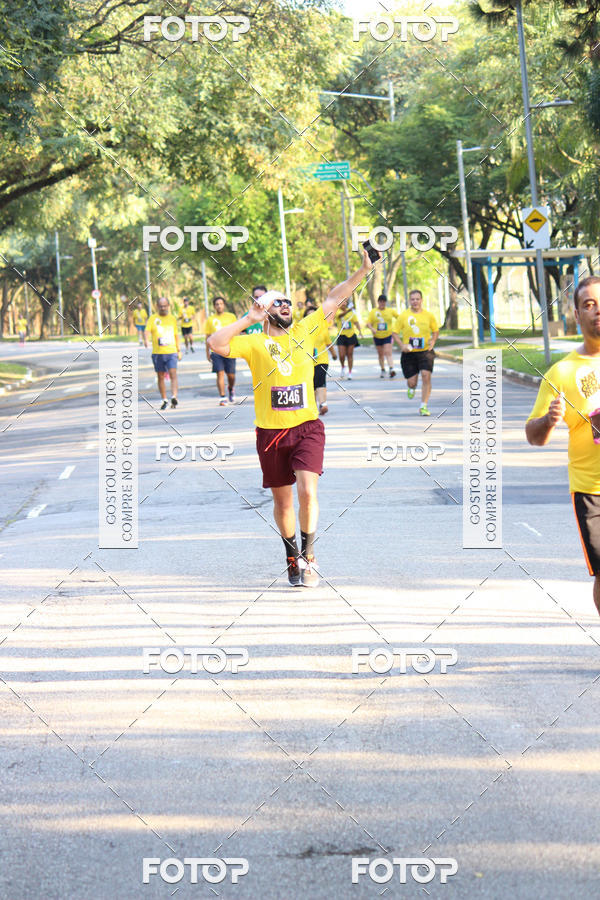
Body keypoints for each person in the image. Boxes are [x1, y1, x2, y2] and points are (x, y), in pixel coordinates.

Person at [207, 248, 374, 588]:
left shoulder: (304, 330)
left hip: (307, 427)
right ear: (266, 312)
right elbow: (215, 342)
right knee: (283, 502)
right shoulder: (254, 343)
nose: (286, 305)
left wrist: (362, 270)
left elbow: (334, 298)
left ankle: (309, 558)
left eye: (288, 302)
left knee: (308, 492)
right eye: (278, 302)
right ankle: (290, 555)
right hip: (270, 433)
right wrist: (248, 319)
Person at [526, 275, 600, 616]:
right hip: (591, 492)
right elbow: (534, 435)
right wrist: (549, 420)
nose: (597, 310)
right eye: (589, 304)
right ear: (576, 314)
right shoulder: (562, 372)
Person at [393, 289, 439, 416]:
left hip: (425, 352)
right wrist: (402, 345)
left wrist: (433, 341)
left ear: (421, 300)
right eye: (412, 299)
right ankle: (411, 387)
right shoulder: (403, 316)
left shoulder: (429, 315)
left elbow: (435, 330)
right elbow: (395, 332)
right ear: (409, 301)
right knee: (412, 382)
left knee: (426, 376)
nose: (415, 301)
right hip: (409, 353)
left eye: (417, 299)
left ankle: (423, 406)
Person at [144, 297, 181, 410]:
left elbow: (176, 335)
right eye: (161, 306)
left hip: (171, 351)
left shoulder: (172, 319)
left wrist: (179, 350)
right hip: (158, 353)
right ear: (157, 306)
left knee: (173, 374)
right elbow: (147, 331)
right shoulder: (153, 318)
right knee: (160, 377)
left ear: (168, 306)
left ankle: (174, 396)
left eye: (165, 306)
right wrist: (146, 340)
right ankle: (164, 399)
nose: (163, 308)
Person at [304, 299, 337, 416]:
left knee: (320, 379)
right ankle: (312, 405)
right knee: (311, 383)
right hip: (307, 362)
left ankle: (323, 404)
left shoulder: (323, 328)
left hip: (322, 360)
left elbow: (328, 343)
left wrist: (334, 354)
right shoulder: (301, 330)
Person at [205, 296, 237, 405]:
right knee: (220, 373)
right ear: (214, 306)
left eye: (221, 303)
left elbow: (236, 332)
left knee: (231, 375)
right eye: (217, 304)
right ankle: (222, 397)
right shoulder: (210, 320)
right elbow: (208, 337)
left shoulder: (231, 317)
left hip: (230, 349)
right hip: (216, 351)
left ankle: (231, 388)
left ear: (224, 305)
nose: (219, 306)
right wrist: (207, 352)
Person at [366, 294, 396, 378]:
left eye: (384, 302)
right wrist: (372, 328)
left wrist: (397, 328)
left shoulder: (390, 311)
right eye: (380, 302)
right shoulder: (373, 311)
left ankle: (391, 368)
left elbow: (399, 318)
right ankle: (383, 369)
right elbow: (368, 323)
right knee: (380, 354)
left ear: (386, 302)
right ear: (378, 302)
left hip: (388, 335)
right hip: (377, 336)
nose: (382, 303)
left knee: (388, 352)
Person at [335, 299, 363, 380]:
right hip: (341, 335)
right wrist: (349, 310)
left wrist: (360, 332)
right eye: (341, 302)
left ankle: (350, 372)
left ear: (346, 303)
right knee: (341, 355)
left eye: (344, 302)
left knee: (350, 354)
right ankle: (343, 367)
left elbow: (356, 322)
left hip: (351, 335)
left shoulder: (352, 313)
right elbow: (340, 316)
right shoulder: (338, 311)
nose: (343, 304)